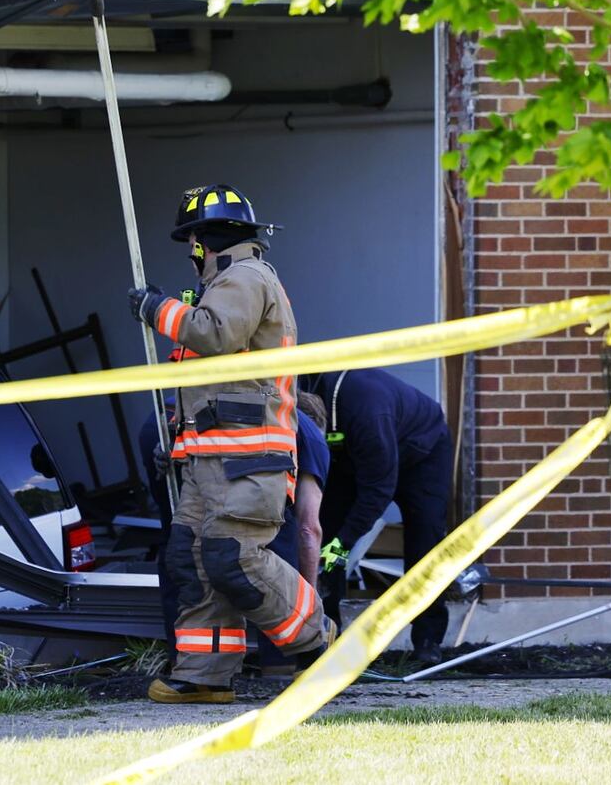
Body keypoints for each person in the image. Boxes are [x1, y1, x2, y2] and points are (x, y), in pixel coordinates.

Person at [129, 183, 333, 703]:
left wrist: (158, 309)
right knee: (194, 560)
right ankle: (203, 676)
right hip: (211, 463)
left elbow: (213, 333)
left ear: (204, 239)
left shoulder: (244, 277)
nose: (191, 253)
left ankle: (318, 647)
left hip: (247, 462)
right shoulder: (229, 281)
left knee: (232, 558)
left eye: (192, 240)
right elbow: (213, 388)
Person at [142, 397, 329, 676]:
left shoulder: (254, 408)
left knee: (185, 548)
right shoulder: (312, 437)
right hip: (197, 435)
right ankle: (286, 659)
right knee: (261, 545)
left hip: (169, 424)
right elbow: (308, 529)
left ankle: (197, 668)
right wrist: (310, 598)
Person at [300, 367, 452, 664]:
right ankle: (326, 637)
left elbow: (378, 492)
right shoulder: (311, 390)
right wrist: (332, 542)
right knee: (325, 532)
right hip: (350, 452)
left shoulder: (368, 413)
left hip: (421, 453)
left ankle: (428, 640)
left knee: (425, 538)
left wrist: (344, 543)